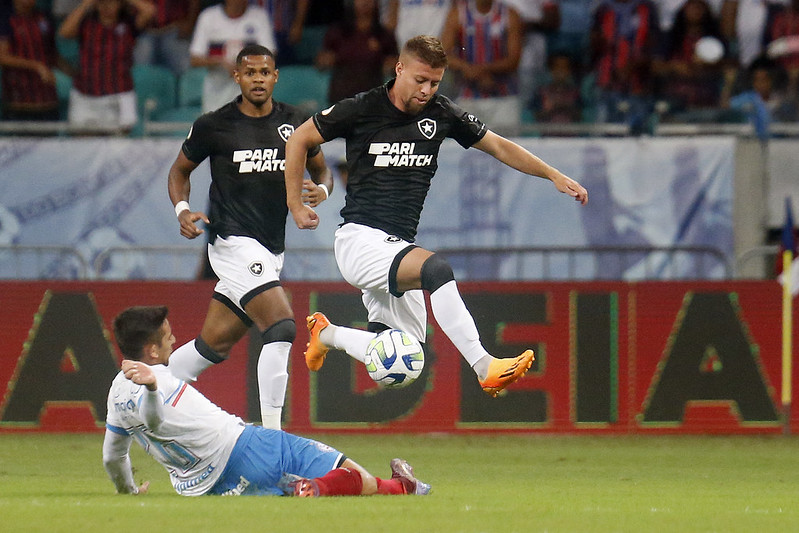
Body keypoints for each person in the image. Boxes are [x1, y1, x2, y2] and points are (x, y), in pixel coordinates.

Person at [284, 35, 588, 397]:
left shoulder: (441, 113)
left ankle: (328, 335)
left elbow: (499, 146)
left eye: (435, 83)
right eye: (420, 80)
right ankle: (483, 365)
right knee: (437, 270)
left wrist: (553, 174)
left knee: (405, 355)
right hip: (359, 241)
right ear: (399, 69)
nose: (426, 90)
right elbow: (298, 139)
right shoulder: (362, 108)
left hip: (396, 245)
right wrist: (295, 204)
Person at [166, 44, 334, 430]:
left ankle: (142, 391)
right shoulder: (214, 125)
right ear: (237, 77)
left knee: (212, 346)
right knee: (281, 326)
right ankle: (273, 436)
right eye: (250, 72)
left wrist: (321, 193)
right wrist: (182, 210)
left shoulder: (297, 122)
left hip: (271, 248)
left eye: (265, 72)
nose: (258, 79)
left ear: (276, 77)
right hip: (230, 242)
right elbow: (179, 172)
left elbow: (322, 171)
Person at [103, 305, 431, 497]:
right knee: (352, 474)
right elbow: (156, 418)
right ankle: (395, 487)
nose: (174, 338)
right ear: (152, 351)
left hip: (202, 486)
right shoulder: (159, 381)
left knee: (298, 485)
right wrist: (149, 389)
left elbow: (112, 457)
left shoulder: (116, 393)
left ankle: (397, 484)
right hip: (246, 446)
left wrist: (129, 491)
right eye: (167, 336)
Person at [59, 0, 156, 133]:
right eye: (102, 2)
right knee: (81, 145)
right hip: (86, 94)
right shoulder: (86, 23)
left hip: (119, 93)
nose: (107, 7)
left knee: (119, 146)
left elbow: (149, 11)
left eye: (112, 2)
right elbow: (64, 32)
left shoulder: (128, 24)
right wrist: (86, 3)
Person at [441, 0, 524, 134]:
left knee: (508, 149)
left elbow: (514, 59)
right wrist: (467, 69)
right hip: (468, 95)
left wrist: (479, 71)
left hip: (504, 97)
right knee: (464, 150)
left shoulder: (509, 15)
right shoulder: (459, 14)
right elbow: (444, 54)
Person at [189, 0, 277, 113]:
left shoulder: (259, 16)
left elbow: (270, 55)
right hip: (216, 93)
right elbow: (195, 59)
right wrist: (220, 62)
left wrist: (243, 65)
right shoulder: (208, 17)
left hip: (250, 93)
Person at [0, 0, 73, 121]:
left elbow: (52, 54)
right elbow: (2, 56)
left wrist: (73, 73)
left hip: (48, 101)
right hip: (19, 103)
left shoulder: (43, 17)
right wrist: (36, 66)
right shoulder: (6, 18)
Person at [315, 0, 398, 104]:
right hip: (341, 99)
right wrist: (324, 60)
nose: (365, 2)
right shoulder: (336, 32)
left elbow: (396, 66)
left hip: (373, 100)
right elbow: (320, 63)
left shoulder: (384, 35)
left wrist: (391, 65)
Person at [133, 0, 200, 77]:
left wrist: (190, 22)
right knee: (140, 73)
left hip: (175, 29)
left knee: (186, 71)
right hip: (144, 32)